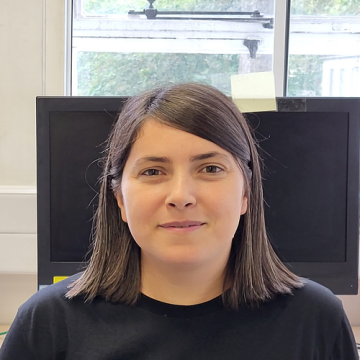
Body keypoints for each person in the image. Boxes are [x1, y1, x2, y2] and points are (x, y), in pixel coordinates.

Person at [0, 83, 357, 360]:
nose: (181, 195)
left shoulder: (315, 321)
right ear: (120, 198)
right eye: (153, 171)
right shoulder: (48, 323)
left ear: (246, 193)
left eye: (210, 168)